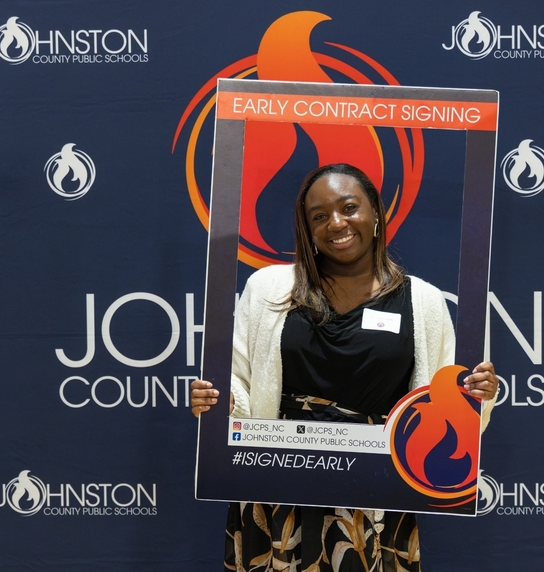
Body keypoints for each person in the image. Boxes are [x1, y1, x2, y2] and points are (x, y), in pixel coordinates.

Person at [191, 163, 498, 571]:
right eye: (319, 216)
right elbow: (238, 379)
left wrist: (475, 396)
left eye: (349, 208)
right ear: (307, 229)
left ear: (376, 214)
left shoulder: (422, 302)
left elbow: (444, 408)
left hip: (375, 488)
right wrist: (218, 402)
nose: (336, 223)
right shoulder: (267, 289)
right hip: (279, 480)